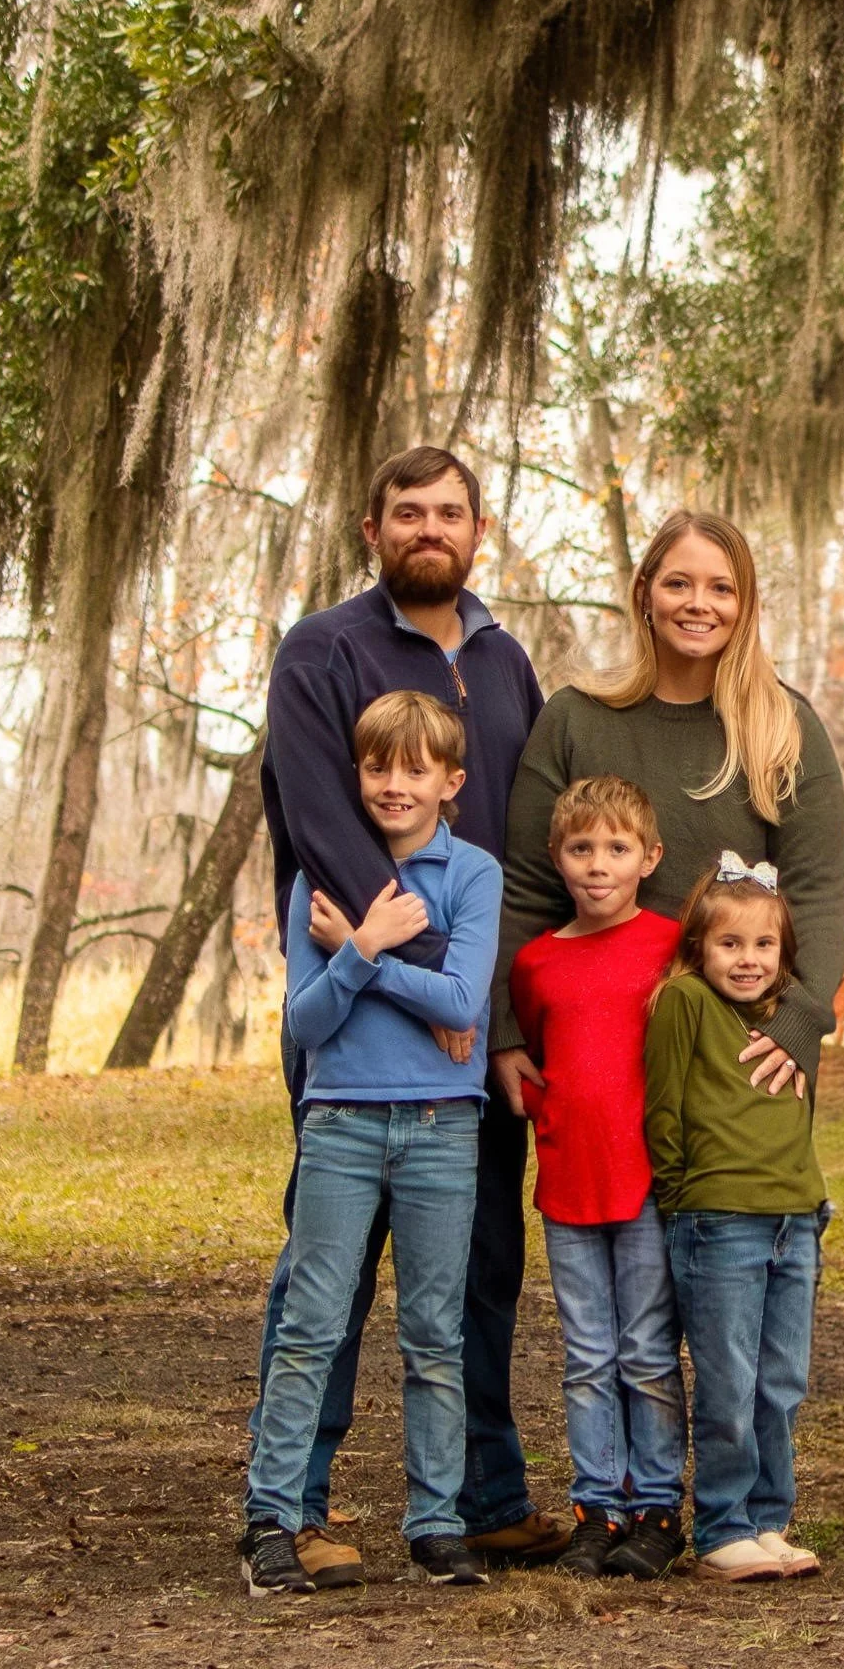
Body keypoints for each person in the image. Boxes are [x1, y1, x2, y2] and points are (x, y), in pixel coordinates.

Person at [256, 446, 566, 1587]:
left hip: (475, 1030)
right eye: (408, 511)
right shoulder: (324, 651)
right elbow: (323, 832)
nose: (429, 527)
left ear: (480, 529)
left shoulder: (502, 656)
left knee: (479, 1259)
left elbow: (520, 843)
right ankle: (299, 1506)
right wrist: (437, 977)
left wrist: (492, 1009)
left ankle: (481, 1497)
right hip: (366, 1021)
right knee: (328, 1274)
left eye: (450, 512)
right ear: (372, 526)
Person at [242, 691, 500, 1593]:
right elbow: (308, 1025)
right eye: (378, 767)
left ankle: (436, 1522)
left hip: (442, 1127)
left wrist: (364, 948)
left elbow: (464, 1002)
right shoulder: (320, 877)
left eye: (415, 769)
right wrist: (358, 949)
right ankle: (273, 1516)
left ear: (450, 781)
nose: (395, 785)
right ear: (355, 775)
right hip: (343, 1122)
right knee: (310, 1328)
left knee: (434, 1335)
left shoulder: (472, 875)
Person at [491, 509, 844, 1121]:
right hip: (601, 1043)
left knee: (737, 1216)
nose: (698, 604)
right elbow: (526, 888)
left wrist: (799, 1021)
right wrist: (504, 1027)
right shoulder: (575, 719)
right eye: (678, 583)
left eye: (721, 588)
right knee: (604, 1216)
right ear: (645, 593)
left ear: (745, 604)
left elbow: (815, 892)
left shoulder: (784, 726)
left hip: (745, 1042)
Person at [508, 776, 687, 1581]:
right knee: (586, 1355)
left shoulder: (673, 947)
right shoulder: (537, 962)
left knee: (646, 1351)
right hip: (568, 1185)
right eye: (581, 849)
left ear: (648, 857)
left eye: (617, 848)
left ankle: (654, 1508)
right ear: (557, 858)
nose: (598, 865)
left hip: (646, 1183)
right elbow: (536, 1059)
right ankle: (595, 1507)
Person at [644, 856, 830, 1583]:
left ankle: (767, 1517)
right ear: (699, 947)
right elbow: (663, 1109)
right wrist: (682, 1194)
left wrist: (806, 1201)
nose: (747, 960)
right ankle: (722, 1524)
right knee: (730, 1378)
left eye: (762, 946)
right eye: (729, 944)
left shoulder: (791, 1019)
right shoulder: (685, 1001)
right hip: (718, 1220)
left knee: (782, 1380)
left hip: (795, 1216)